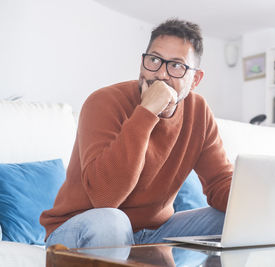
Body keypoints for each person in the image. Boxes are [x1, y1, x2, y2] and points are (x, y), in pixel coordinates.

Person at [40, 19, 233, 249]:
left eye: (176, 66)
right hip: (82, 227)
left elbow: (220, 183)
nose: (161, 74)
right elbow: (105, 199)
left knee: (232, 221)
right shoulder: (103, 102)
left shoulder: (198, 112)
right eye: (154, 60)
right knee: (112, 222)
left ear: (195, 80)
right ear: (142, 63)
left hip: (154, 232)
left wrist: (268, 202)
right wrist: (146, 112)